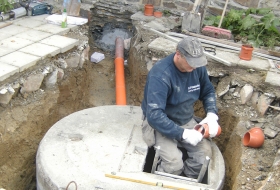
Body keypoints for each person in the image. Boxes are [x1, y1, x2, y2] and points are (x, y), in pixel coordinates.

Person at [141, 37, 220, 178]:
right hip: (162, 122)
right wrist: (184, 134)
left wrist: (212, 115)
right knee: (174, 163)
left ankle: (187, 180)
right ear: (178, 54)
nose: (194, 67)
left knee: (204, 155)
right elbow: (154, 115)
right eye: (191, 63)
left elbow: (208, 91)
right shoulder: (161, 74)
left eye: (197, 63)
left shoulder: (197, 68)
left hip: (185, 119)